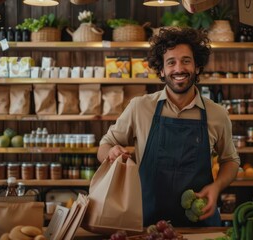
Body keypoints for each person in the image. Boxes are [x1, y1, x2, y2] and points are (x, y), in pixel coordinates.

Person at [97, 27, 240, 227]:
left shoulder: (217, 114)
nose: (179, 69)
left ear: (197, 67)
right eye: (171, 62)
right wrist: (111, 153)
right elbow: (104, 146)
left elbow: (231, 160)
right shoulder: (140, 107)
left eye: (186, 61)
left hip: (200, 223)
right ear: (162, 70)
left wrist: (216, 187)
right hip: (147, 222)